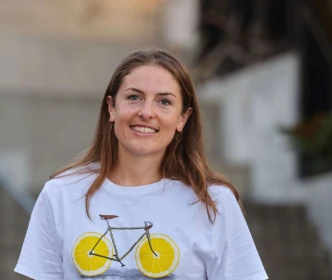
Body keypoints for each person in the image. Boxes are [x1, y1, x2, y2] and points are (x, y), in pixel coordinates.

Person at [14, 49, 268, 280]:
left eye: (164, 101)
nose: (147, 112)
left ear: (183, 118)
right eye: (134, 97)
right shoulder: (60, 194)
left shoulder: (214, 202)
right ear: (112, 108)